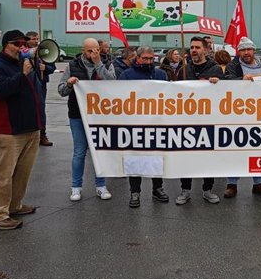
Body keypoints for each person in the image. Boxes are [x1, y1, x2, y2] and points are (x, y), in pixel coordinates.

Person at [0, 30, 43, 230]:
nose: (21, 47)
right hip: (6, 130)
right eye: (16, 44)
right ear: (6, 44)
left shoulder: (22, 65)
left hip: (29, 128)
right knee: (3, 174)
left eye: (24, 44)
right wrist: (22, 75)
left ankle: (14, 205)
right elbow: (1, 90)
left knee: (22, 172)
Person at [58, 38, 115, 202]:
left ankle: (101, 185)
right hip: (78, 115)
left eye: (96, 50)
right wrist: (69, 84)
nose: (94, 53)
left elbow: (112, 82)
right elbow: (61, 90)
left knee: (99, 151)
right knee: (79, 152)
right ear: (83, 50)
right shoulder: (73, 65)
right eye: (90, 51)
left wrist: (99, 64)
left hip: (100, 116)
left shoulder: (106, 63)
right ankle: (76, 187)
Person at [119, 46, 171, 207]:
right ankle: (135, 192)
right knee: (135, 158)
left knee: (156, 157)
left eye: (151, 58)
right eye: (145, 58)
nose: (149, 61)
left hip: (156, 124)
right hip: (134, 125)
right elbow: (118, 97)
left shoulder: (161, 74)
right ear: (138, 58)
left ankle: (158, 188)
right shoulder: (126, 75)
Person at [223, 37, 261, 198]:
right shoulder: (234, 65)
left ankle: (258, 183)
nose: (246, 53)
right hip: (238, 113)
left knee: (258, 148)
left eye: (249, 49)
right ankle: (232, 184)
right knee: (235, 148)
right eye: (243, 50)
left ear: (254, 50)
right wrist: (240, 80)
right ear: (239, 52)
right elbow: (227, 81)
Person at [175, 36, 222, 205]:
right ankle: (185, 189)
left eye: (197, 47)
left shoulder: (215, 69)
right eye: (192, 47)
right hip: (186, 120)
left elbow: (223, 95)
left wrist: (218, 83)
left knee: (208, 157)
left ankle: (207, 189)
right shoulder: (184, 70)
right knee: (186, 157)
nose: (194, 50)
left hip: (208, 120)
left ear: (205, 50)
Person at [25, 31, 56, 147]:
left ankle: (42, 135)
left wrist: (45, 67)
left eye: (37, 38)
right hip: (27, 84)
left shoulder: (43, 51)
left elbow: (52, 67)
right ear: (27, 40)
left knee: (41, 109)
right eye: (33, 39)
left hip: (41, 83)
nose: (36, 40)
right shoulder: (23, 52)